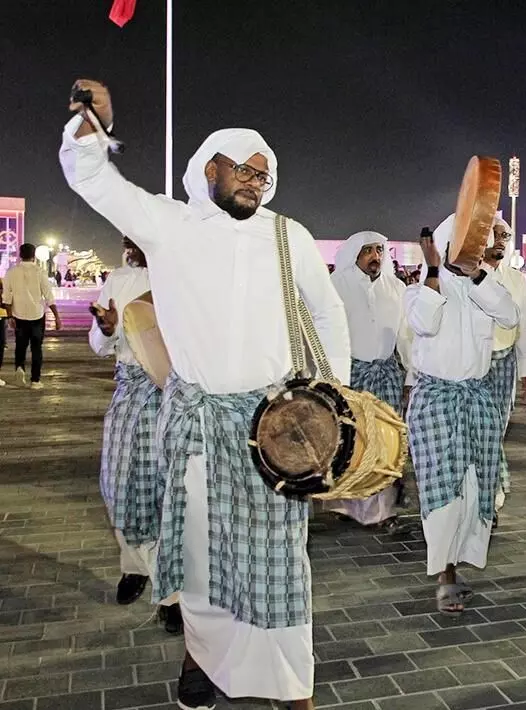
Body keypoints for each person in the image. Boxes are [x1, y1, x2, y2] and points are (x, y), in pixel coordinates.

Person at [61, 79, 349, 710]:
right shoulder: (169, 225)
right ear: (207, 168)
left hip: (273, 430)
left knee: (279, 561)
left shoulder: (289, 236)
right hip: (195, 425)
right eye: (242, 168)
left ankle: (291, 686)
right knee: (199, 552)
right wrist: (91, 129)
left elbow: (327, 314)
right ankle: (201, 655)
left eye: (263, 174)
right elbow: (94, 180)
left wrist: (333, 402)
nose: (254, 181)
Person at [405, 214, 518, 616]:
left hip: (477, 398)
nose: (474, 249)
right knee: (442, 489)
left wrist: (476, 276)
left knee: (473, 487)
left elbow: (510, 316)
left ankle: (460, 557)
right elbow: (424, 322)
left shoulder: (484, 285)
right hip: (436, 401)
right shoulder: (421, 289)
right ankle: (445, 573)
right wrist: (435, 270)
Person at [88, 237, 182, 632]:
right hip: (130, 394)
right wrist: (107, 329)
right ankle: (134, 568)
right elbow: (98, 345)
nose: (131, 243)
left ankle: (172, 593)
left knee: (170, 490)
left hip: (176, 394)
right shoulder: (118, 280)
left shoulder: (182, 274)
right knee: (123, 483)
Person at [324, 231, 413, 527]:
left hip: (386, 375)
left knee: (386, 443)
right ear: (355, 255)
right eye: (368, 251)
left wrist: (411, 376)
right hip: (350, 376)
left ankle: (383, 511)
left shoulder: (396, 287)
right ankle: (346, 506)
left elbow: (405, 336)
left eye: (379, 250)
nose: (375, 256)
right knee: (351, 442)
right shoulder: (336, 285)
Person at [481, 216, 526, 516]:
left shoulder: (516, 279)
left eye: (505, 235)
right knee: (481, 428)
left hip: (504, 363)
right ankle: (490, 489)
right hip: (472, 365)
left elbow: (524, 326)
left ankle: (490, 488)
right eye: (496, 234)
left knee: (496, 429)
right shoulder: (467, 275)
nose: (501, 240)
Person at [1, 242, 61, 388]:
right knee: (36, 348)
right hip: (37, 316)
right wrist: (57, 317)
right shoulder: (40, 272)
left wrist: (10, 316)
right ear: (34, 255)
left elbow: (6, 298)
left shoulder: (11, 272)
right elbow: (48, 296)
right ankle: (35, 380)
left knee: (20, 346)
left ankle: (20, 369)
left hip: (18, 316)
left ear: (20, 255)